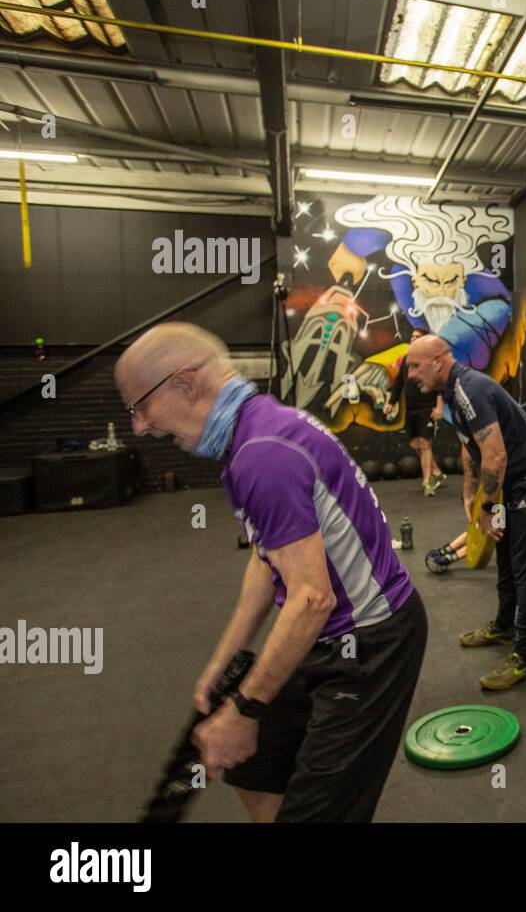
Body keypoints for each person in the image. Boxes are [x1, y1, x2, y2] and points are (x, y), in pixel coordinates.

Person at [115, 322, 427, 821]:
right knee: (254, 768)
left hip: (370, 645)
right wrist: (226, 660)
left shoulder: (262, 454)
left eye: (139, 407)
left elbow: (311, 598)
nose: (140, 427)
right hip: (321, 635)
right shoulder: (255, 431)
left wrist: (245, 709)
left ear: (183, 384)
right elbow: (268, 560)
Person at [404, 334, 526, 690]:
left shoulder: (470, 389)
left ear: (438, 360)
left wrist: (489, 508)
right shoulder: (452, 397)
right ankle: (504, 627)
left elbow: (496, 455)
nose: (411, 375)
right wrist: (471, 494)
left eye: (415, 366)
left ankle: (525, 656)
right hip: (505, 486)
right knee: (504, 553)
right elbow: (471, 447)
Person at [384, 328, 447, 496]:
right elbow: (398, 383)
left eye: (417, 337)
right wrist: (391, 402)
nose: (413, 339)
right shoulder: (406, 360)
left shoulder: (432, 361)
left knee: (425, 444)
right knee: (414, 444)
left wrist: (439, 407)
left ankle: (427, 482)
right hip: (411, 409)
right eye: (411, 336)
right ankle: (436, 472)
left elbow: (441, 385)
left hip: (427, 407)